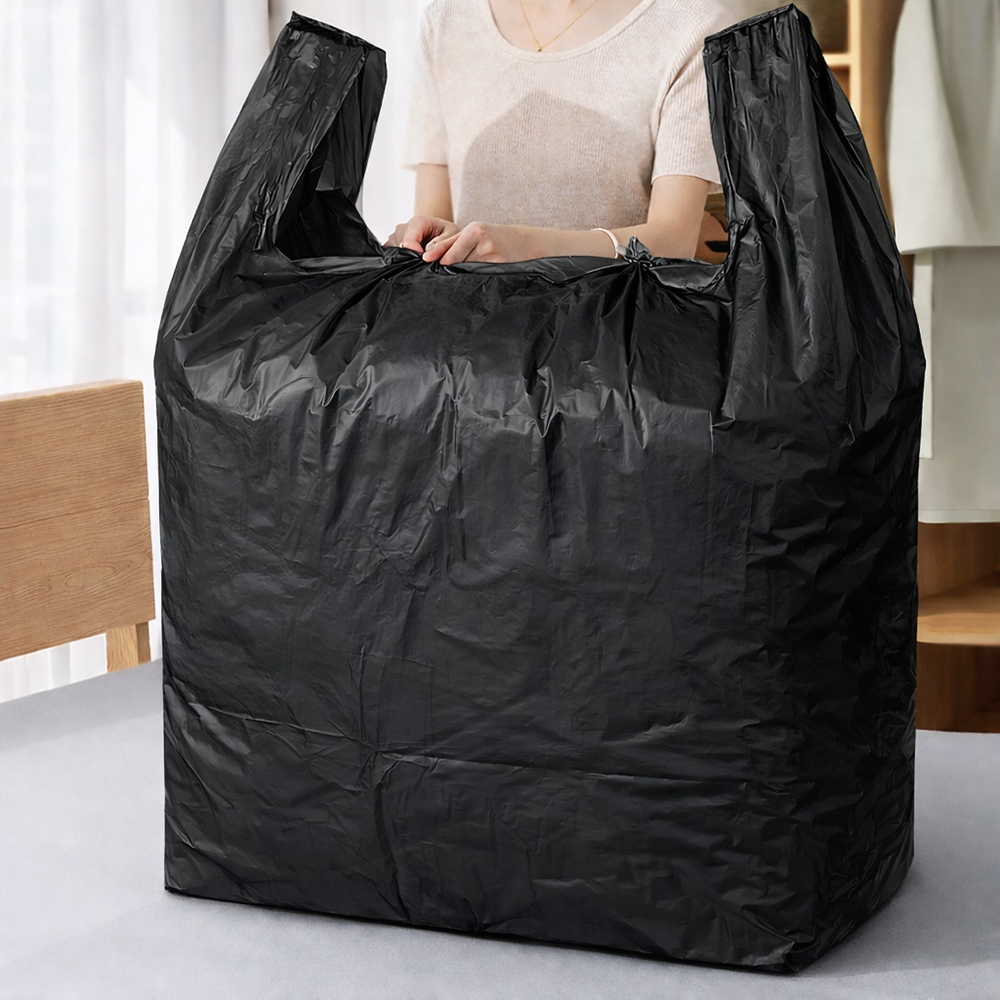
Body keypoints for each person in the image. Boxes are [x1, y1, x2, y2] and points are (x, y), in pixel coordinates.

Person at [386, 0, 729, 266]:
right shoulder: (448, 19)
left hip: (613, 325)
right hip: (469, 327)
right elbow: (436, 219)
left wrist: (528, 246)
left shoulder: (689, 25)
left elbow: (674, 240)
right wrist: (426, 238)